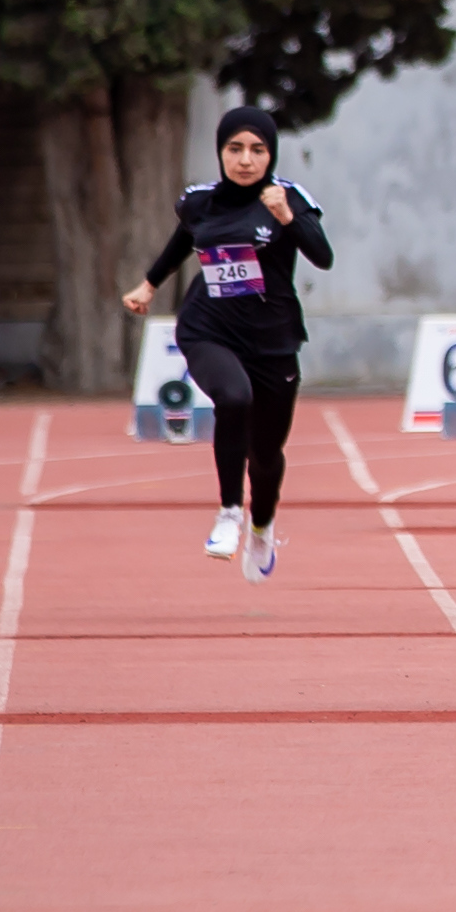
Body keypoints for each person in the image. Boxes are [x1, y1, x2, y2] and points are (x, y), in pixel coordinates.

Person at [122, 106, 331, 582]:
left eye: (257, 150)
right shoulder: (200, 202)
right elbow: (182, 241)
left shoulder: (289, 198)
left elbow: (323, 256)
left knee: (267, 455)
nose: (245, 160)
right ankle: (230, 512)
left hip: (273, 340)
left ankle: (261, 525)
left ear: (271, 155)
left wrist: (287, 217)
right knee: (233, 398)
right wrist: (149, 285)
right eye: (234, 149)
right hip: (209, 328)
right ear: (220, 152)